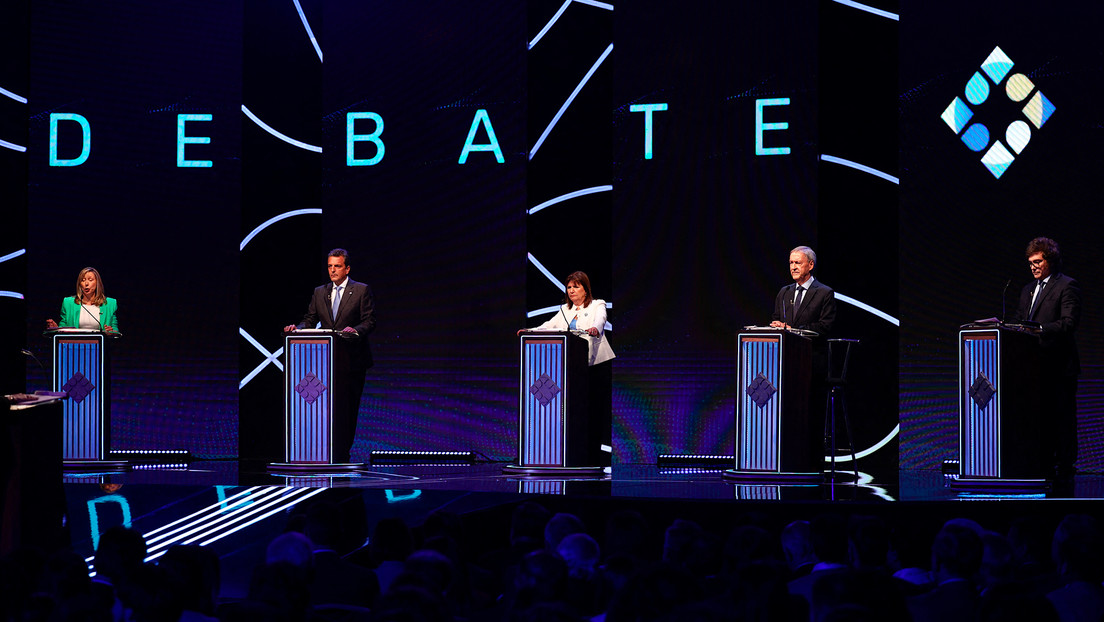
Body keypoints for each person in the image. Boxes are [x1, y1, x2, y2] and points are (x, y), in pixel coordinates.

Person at [284, 248, 375, 463]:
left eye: (337, 266)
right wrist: (297, 328)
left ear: (347, 268)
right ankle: (322, 452)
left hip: (352, 361)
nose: (332, 270)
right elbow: (310, 319)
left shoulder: (361, 290)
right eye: (330, 266)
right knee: (325, 408)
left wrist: (356, 331)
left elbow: (369, 321)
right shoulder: (319, 292)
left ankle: (343, 453)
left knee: (348, 409)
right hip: (325, 364)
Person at [520, 271, 615, 466]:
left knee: (595, 411)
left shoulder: (598, 305)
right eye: (569, 287)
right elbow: (549, 325)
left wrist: (595, 329)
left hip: (596, 366)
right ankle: (576, 456)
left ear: (585, 289)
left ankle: (595, 458)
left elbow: (600, 320)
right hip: (574, 369)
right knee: (576, 412)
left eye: (576, 287)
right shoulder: (565, 310)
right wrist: (531, 331)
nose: (571, 290)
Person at [1010, 237, 1080, 481]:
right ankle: (1042, 464)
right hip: (1033, 369)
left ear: (1050, 260)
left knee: (1061, 418)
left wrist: (1038, 329)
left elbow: (1068, 323)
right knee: (1040, 419)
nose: (1033, 267)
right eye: (1030, 263)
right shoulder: (1027, 290)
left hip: (1059, 367)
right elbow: (1020, 321)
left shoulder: (1066, 286)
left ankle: (1066, 469)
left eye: (1038, 261)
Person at [46, 266, 119, 332]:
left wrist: (111, 331)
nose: (86, 283)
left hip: (99, 344)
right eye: (83, 280)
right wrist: (56, 328)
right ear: (79, 284)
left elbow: (115, 329)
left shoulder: (110, 304)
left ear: (97, 283)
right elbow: (64, 327)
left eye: (90, 280)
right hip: (75, 343)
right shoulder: (68, 303)